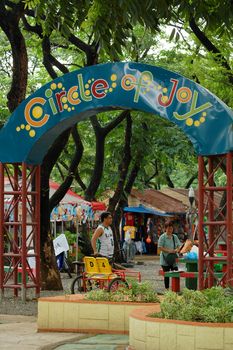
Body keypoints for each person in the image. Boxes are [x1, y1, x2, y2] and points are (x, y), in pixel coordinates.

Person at [158, 220, 182, 290]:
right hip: (165, 259)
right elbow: (160, 247)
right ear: (165, 229)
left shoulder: (175, 237)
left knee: (176, 273)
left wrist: (177, 250)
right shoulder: (162, 237)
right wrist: (169, 251)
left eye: (171, 228)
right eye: (168, 228)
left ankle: (176, 289)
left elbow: (179, 246)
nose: (170, 230)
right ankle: (167, 289)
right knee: (167, 275)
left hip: (173, 258)